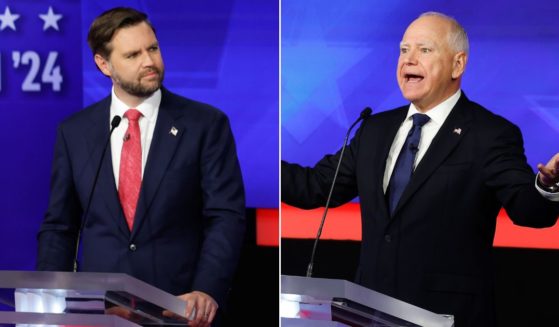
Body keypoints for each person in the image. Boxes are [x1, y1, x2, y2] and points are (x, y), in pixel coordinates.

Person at [282, 12, 559, 327]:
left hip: (445, 315)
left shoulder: (489, 134)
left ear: (458, 64)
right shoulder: (375, 129)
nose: (409, 60)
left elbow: (529, 211)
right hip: (368, 312)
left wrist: (548, 185)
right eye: (403, 50)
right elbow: (316, 186)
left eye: (424, 50)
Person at [36, 7, 245, 327]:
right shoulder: (74, 132)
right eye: (133, 55)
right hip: (98, 314)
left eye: (153, 48)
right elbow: (60, 227)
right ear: (103, 64)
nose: (149, 61)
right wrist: (48, 302)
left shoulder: (206, 125)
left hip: (179, 311)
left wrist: (207, 289)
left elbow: (225, 216)